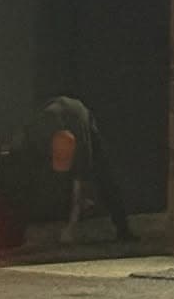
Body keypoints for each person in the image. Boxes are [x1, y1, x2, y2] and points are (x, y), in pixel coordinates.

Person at [40, 97, 135, 243]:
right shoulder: (42, 126)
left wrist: (71, 226)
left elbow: (83, 166)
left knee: (105, 178)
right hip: (63, 130)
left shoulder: (79, 126)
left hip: (85, 133)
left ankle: (123, 229)